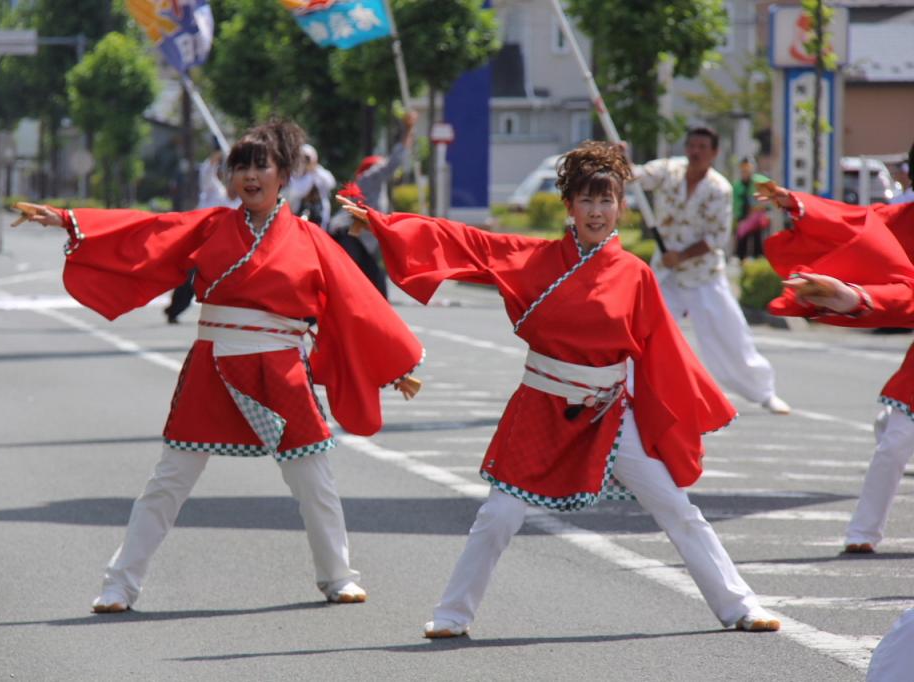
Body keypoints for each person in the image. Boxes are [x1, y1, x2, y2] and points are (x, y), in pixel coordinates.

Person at [339, 140, 782, 637]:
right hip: (541, 404)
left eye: (607, 200)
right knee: (501, 514)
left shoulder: (635, 274)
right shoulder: (535, 258)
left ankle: (739, 605)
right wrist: (383, 223)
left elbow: (663, 352)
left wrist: (696, 408)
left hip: (610, 411)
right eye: (587, 200)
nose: (597, 211)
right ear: (569, 206)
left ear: (621, 207)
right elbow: (466, 242)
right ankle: (452, 613)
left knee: (676, 507)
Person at [14, 119, 425, 612]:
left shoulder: (310, 239)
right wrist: (67, 219)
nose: (250, 175)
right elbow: (148, 229)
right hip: (215, 363)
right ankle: (119, 584)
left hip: (280, 370)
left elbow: (353, 302)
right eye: (241, 166)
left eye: (261, 165)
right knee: (169, 480)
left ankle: (338, 575)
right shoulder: (211, 226)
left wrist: (389, 364)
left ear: (284, 173)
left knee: (314, 478)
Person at [755, 168, 914, 555]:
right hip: (899, 298)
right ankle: (863, 531)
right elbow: (858, 223)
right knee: (895, 439)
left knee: (895, 433)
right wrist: (802, 205)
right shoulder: (901, 218)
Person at [634, 127, 791, 415]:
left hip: (703, 274)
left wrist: (680, 255)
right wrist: (622, 160)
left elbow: (717, 238)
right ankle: (637, 389)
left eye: (702, 147)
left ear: (714, 153)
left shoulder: (720, 189)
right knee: (644, 331)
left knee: (732, 335)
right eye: (691, 145)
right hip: (666, 276)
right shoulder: (670, 170)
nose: (695, 152)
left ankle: (764, 392)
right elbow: (638, 176)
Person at [329, 110, 418, 298]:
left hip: (359, 240)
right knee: (345, 286)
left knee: (377, 290)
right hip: (350, 236)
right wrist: (407, 130)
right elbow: (393, 163)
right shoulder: (369, 178)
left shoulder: (375, 189)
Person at [164, 147, 242, 324]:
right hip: (200, 245)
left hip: (226, 251)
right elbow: (207, 172)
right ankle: (174, 309)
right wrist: (218, 155)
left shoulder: (242, 203)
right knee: (189, 280)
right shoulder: (213, 191)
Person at [288, 143, 336, 229]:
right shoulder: (296, 175)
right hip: (300, 212)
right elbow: (299, 192)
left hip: (319, 214)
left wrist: (314, 168)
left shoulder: (319, 172)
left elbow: (331, 183)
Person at [732, 156, 769, 260]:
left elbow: (764, 199)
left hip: (756, 218)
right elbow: (735, 202)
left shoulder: (757, 184)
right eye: (743, 169)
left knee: (757, 242)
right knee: (742, 243)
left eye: (748, 168)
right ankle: (740, 260)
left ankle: (758, 260)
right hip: (742, 218)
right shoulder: (737, 186)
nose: (746, 171)